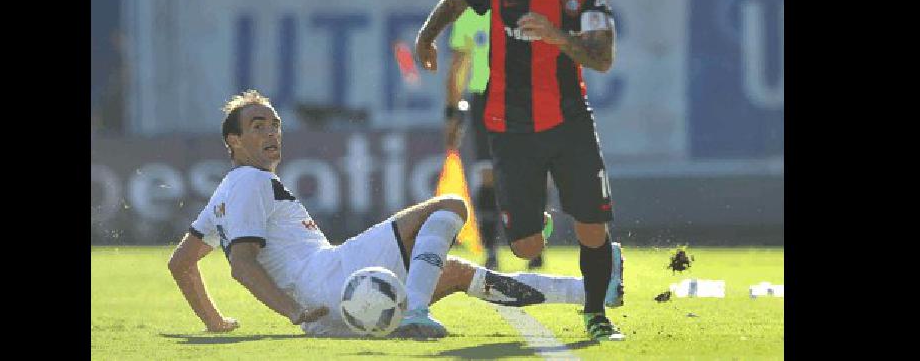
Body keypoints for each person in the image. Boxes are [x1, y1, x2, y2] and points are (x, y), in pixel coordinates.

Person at [168, 89, 624, 339]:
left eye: (274, 124)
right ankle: (415, 312)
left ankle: (594, 289)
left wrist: (214, 322)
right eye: (257, 126)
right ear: (233, 142)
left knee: (456, 273)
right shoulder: (251, 181)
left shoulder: (227, 192)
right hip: (329, 279)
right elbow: (241, 264)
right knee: (449, 206)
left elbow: (181, 263)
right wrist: (294, 311)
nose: (271, 132)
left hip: (332, 304)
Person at [414, 0, 626, 341]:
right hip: (509, 126)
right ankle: (536, 221)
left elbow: (602, 58)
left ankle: (596, 314)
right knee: (526, 245)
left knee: (592, 226)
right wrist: (426, 38)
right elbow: (456, 1)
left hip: (570, 122)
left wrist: (555, 35)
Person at [445, 0, 550, 271]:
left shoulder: (534, 8)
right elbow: (457, 68)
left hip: (525, 96)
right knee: (487, 174)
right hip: (486, 99)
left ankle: (534, 246)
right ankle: (491, 249)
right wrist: (452, 111)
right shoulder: (470, 14)